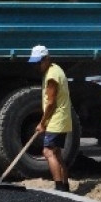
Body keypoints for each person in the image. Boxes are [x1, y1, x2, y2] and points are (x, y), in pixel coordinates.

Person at [28, 45, 72, 192]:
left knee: (48, 152)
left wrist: (42, 123)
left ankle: (59, 187)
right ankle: (65, 186)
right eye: (35, 63)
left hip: (56, 118)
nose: (37, 65)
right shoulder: (56, 69)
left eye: (39, 62)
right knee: (57, 153)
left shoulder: (52, 76)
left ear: (47, 59)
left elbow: (51, 102)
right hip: (62, 117)